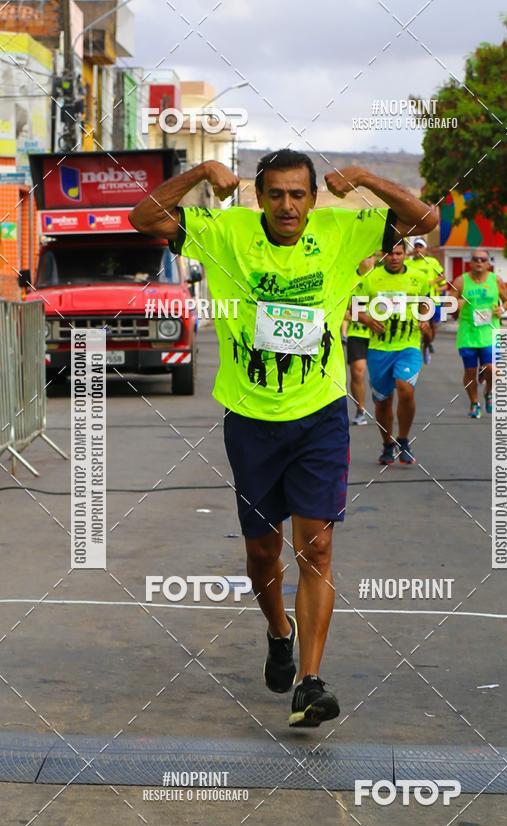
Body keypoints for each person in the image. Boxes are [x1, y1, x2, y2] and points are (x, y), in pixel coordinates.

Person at [129, 149, 437, 727]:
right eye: (275, 194)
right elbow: (142, 218)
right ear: (259, 196)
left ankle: (310, 683)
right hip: (251, 419)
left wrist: (365, 178)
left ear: (314, 199)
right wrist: (200, 173)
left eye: (298, 194)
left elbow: (426, 220)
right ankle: (278, 629)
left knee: (316, 548)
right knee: (262, 552)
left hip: (319, 416)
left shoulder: (342, 229)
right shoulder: (226, 230)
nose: (287, 206)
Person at [355, 239, 431, 464]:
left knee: (405, 389)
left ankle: (404, 440)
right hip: (379, 348)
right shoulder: (370, 278)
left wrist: (424, 318)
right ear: (383, 255)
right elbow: (355, 308)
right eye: (390, 253)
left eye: (398, 253)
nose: (394, 257)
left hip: (408, 345)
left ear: (405, 254)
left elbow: (426, 302)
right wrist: (368, 320)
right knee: (383, 401)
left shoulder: (418, 277)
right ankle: (388, 444)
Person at [449, 250, 507, 418]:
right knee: (470, 372)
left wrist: (502, 308)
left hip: (490, 332)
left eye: (483, 259)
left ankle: (488, 392)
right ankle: (474, 403)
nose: (479, 262)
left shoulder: (496, 280)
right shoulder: (461, 281)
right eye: (475, 259)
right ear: (470, 262)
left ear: (488, 263)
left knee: (492, 369)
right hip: (468, 334)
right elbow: (450, 309)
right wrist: (455, 306)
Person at [346, 252, 382, 425]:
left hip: (378, 334)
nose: (366, 260)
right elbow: (341, 305)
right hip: (357, 333)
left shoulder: (381, 277)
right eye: (364, 256)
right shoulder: (349, 277)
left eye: (370, 256)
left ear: (375, 258)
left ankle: (381, 399)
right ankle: (360, 409)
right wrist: (353, 316)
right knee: (357, 372)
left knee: (379, 376)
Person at [408, 236, 446, 363]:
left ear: (425, 249)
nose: (418, 249)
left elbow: (442, 276)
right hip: (415, 299)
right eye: (416, 247)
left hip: (432, 298)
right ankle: (417, 345)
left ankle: (428, 343)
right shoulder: (408, 263)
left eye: (421, 247)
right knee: (419, 324)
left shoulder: (431, 261)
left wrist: (432, 282)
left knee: (432, 326)